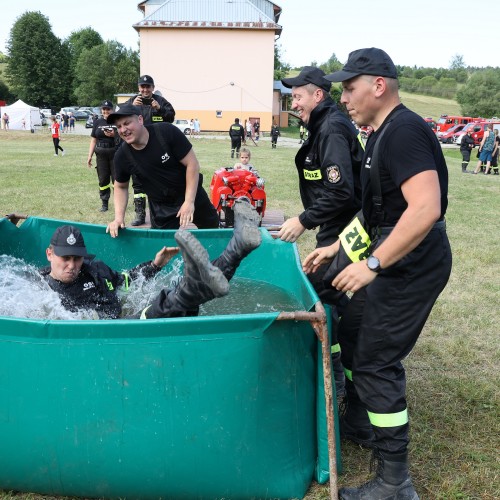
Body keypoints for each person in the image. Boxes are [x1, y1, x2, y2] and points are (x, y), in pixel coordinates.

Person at [303, 47, 452, 499]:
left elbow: (425, 209)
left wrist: (372, 265)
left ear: (378, 86)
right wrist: (334, 248)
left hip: (412, 264)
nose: (343, 97)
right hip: (390, 253)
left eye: (350, 88)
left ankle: (395, 483)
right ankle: (364, 423)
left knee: (374, 361)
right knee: (352, 328)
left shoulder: (404, 130)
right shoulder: (378, 133)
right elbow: (374, 217)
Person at [279, 66, 364, 398]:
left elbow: (341, 191)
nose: (294, 104)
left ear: (318, 95)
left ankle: (337, 376)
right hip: (334, 223)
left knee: (318, 286)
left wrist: (303, 220)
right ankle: (336, 362)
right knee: (326, 291)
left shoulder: (330, 128)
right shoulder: (321, 125)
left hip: (347, 224)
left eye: (298, 97)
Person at [40, 201, 260, 319]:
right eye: (65, 259)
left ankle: (236, 249)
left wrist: (155, 265)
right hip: (113, 334)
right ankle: (235, 250)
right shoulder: (42, 290)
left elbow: (127, 280)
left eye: (77, 259)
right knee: (162, 308)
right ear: (50, 254)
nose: (72, 265)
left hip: (130, 318)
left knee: (184, 302)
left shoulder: (94, 269)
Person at [106, 103, 219, 235]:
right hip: (162, 206)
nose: (123, 130)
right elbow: (120, 186)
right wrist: (118, 219)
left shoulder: (166, 132)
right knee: (163, 246)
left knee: (212, 230)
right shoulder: (122, 156)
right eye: (119, 126)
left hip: (191, 192)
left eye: (127, 123)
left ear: (140, 120)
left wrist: (189, 201)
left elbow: (192, 164)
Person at [125, 74, 176, 226]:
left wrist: (159, 109)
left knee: (159, 181)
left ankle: (162, 214)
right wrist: (132, 106)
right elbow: (120, 117)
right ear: (139, 88)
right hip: (137, 147)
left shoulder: (160, 101)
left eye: (148, 87)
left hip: (158, 147)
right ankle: (140, 215)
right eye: (142, 87)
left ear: (153, 88)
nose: (145, 90)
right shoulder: (132, 101)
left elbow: (171, 117)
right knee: (138, 184)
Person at [87, 100, 118, 212]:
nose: (106, 111)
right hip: (101, 154)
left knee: (117, 180)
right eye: (104, 109)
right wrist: (89, 155)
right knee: (103, 180)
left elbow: (124, 136)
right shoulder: (97, 122)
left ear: (112, 109)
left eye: (108, 109)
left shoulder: (117, 120)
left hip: (115, 153)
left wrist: (114, 134)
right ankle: (104, 203)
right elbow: (93, 140)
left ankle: (118, 203)